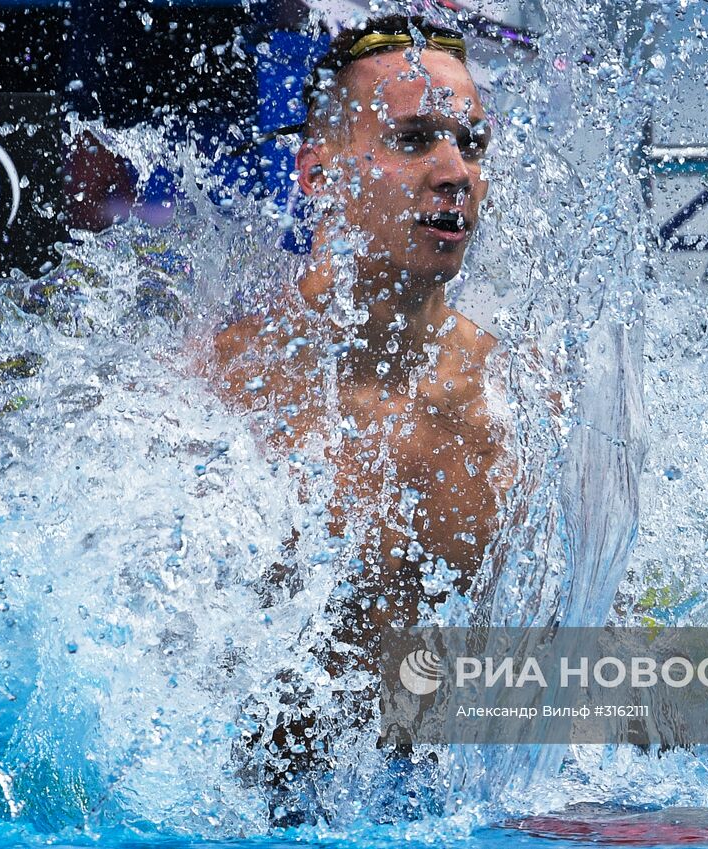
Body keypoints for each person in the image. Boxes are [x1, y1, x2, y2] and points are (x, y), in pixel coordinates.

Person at [211, 16, 508, 819]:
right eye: (414, 140)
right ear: (318, 175)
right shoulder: (223, 392)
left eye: (471, 144)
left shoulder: (521, 405)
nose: (456, 173)